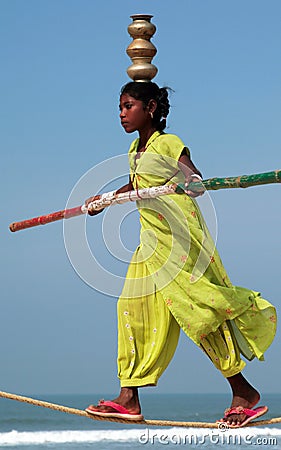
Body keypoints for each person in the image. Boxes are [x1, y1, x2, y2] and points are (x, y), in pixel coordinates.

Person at [84, 81, 276, 427]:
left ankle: (243, 392)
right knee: (129, 307)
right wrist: (106, 200)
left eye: (128, 106)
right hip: (150, 247)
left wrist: (191, 182)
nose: (122, 113)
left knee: (198, 314)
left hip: (177, 245)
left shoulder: (168, 143)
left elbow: (192, 175)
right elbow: (138, 184)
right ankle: (128, 398)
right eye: (121, 107)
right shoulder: (134, 150)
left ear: (151, 108)